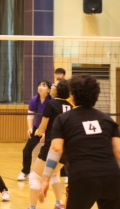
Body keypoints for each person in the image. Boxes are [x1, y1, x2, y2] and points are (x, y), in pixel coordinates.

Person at [40, 74, 120, 209]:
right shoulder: (107, 120)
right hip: (111, 177)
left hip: (82, 177)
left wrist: (46, 178)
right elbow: (118, 151)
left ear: (72, 95)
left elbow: (56, 149)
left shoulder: (63, 119)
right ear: (96, 95)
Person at [26, 79, 72, 209]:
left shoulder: (51, 104)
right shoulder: (70, 106)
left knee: (35, 176)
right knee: (53, 174)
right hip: (65, 149)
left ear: (58, 90)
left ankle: (32, 207)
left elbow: (43, 125)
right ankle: (59, 204)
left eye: (54, 85)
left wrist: (38, 132)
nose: (52, 87)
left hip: (52, 147)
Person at [18, 80, 52, 181]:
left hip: (50, 129)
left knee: (57, 151)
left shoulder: (52, 101)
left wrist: (45, 132)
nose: (40, 87)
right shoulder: (34, 100)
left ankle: (64, 174)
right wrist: (30, 128)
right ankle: (25, 172)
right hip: (37, 128)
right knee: (26, 150)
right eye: (39, 85)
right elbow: (30, 116)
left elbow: (54, 119)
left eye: (44, 85)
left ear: (49, 90)